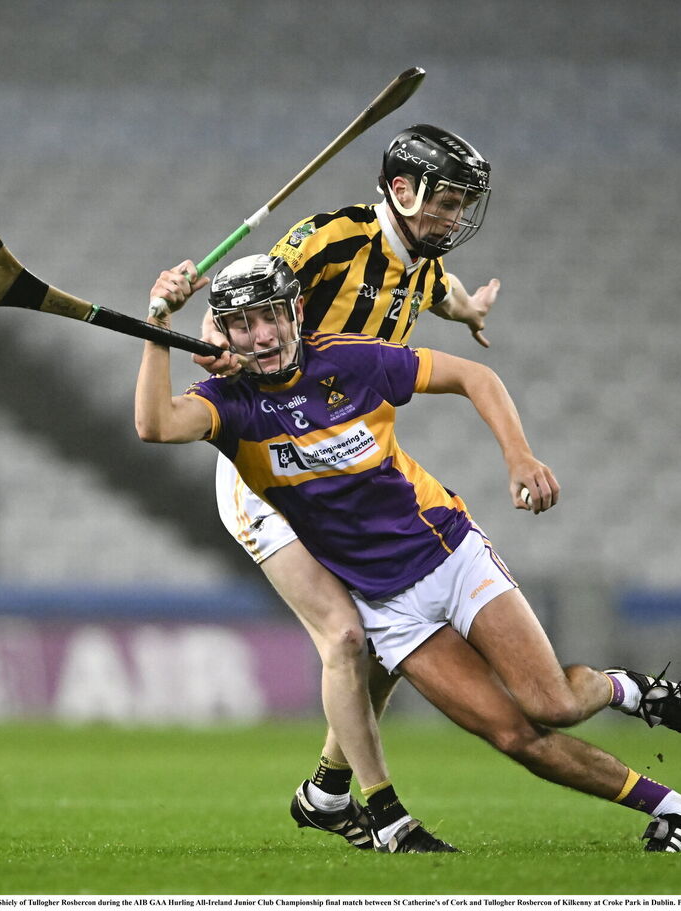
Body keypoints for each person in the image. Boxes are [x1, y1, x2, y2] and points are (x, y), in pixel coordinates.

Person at [136, 253, 681, 853]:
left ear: (297, 312)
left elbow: (476, 377)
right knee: (516, 737)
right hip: (389, 608)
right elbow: (154, 426)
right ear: (223, 333)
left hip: (450, 554)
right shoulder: (228, 405)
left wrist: (518, 456)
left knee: (558, 704)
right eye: (244, 325)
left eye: (273, 317)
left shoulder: (350, 360)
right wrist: (158, 324)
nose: (263, 335)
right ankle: (679, 811)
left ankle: (626, 690)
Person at [186, 124, 503, 851]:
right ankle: (387, 813)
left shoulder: (421, 268)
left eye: (462, 204)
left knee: (394, 638)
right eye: (447, 202)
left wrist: (470, 311)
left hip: (343, 472)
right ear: (403, 190)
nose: (456, 218)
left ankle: (328, 790)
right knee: (347, 635)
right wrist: (213, 334)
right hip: (268, 471)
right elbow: (245, 293)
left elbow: (439, 292)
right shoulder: (329, 238)